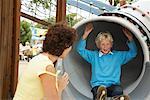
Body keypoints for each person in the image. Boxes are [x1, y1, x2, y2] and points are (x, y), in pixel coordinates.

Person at [13, 23, 77, 100]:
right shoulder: (47, 67)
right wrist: (60, 87)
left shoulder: (38, 59)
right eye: (70, 46)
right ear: (65, 46)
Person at [76, 23, 137, 100]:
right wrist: (85, 34)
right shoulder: (93, 56)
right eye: (103, 44)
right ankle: (104, 97)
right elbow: (80, 50)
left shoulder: (118, 56)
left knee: (118, 90)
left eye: (108, 44)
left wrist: (130, 39)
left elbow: (133, 53)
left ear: (111, 45)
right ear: (98, 45)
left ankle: (115, 98)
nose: (105, 47)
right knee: (98, 92)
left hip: (113, 85)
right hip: (98, 85)